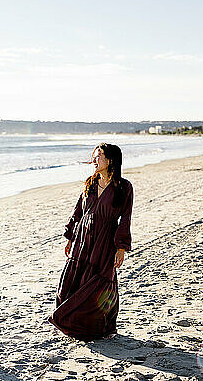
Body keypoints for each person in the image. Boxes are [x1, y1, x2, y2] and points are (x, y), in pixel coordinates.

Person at [49, 143, 134, 341]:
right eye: (94, 156)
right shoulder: (90, 183)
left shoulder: (124, 187)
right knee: (71, 283)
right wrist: (70, 236)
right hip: (82, 239)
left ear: (111, 160)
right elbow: (78, 211)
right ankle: (69, 321)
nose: (94, 160)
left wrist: (121, 247)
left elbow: (126, 218)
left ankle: (94, 329)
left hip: (105, 241)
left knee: (98, 284)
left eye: (99, 156)